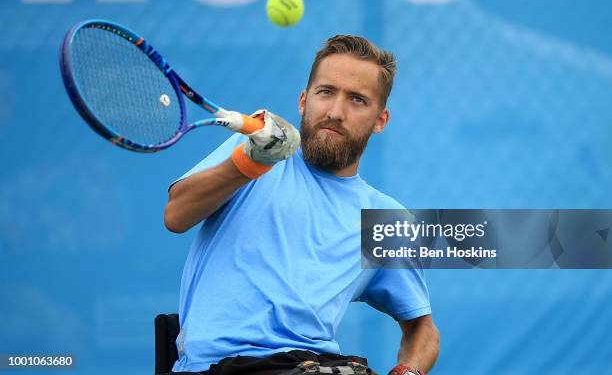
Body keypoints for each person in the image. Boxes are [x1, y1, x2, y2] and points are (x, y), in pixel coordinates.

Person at [164, 35, 440, 375]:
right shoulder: (255, 151)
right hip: (217, 367)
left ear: (380, 120)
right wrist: (249, 162)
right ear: (303, 101)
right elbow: (176, 215)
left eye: (357, 100)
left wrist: (409, 372)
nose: (336, 112)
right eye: (326, 92)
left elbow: (423, 330)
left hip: (309, 366)